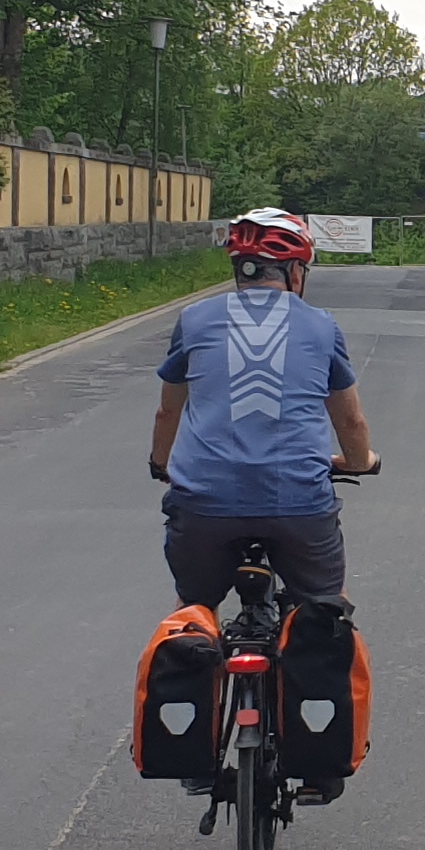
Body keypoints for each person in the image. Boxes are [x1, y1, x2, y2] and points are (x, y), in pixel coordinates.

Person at [150, 209, 379, 610]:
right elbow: (350, 420)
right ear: (295, 272)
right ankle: (324, 639)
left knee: (193, 606)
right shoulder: (321, 326)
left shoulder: (193, 320)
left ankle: (193, 638)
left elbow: (167, 413)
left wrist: (160, 463)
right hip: (299, 504)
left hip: (204, 503)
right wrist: (360, 462)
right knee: (327, 609)